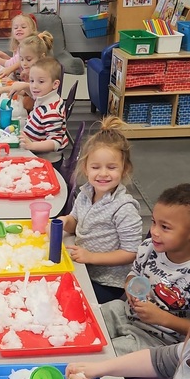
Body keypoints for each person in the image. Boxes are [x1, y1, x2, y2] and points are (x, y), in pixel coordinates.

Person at [101, 183, 190, 355]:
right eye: (154, 222)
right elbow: (134, 273)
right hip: (127, 313)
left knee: (106, 355)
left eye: (165, 227)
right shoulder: (149, 247)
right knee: (89, 319)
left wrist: (163, 318)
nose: (154, 232)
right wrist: (130, 286)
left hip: (159, 340)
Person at [61, 116, 143, 304]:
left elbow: (131, 252)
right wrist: (65, 221)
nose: (103, 173)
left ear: (124, 169)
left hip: (107, 282)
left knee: (69, 303)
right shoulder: (85, 193)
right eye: (96, 167)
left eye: (111, 167)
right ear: (86, 168)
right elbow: (75, 221)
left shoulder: (124, 208)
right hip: (83, 266)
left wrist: (91, 257)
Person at [19, 56, 69, 163]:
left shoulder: (52, 112)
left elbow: (55, 142)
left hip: (46, 160)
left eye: (41, 82)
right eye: (32, 81)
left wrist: (31, 145)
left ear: (55, 84)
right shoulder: (45, 97)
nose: (34, 86)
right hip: (35, 151)